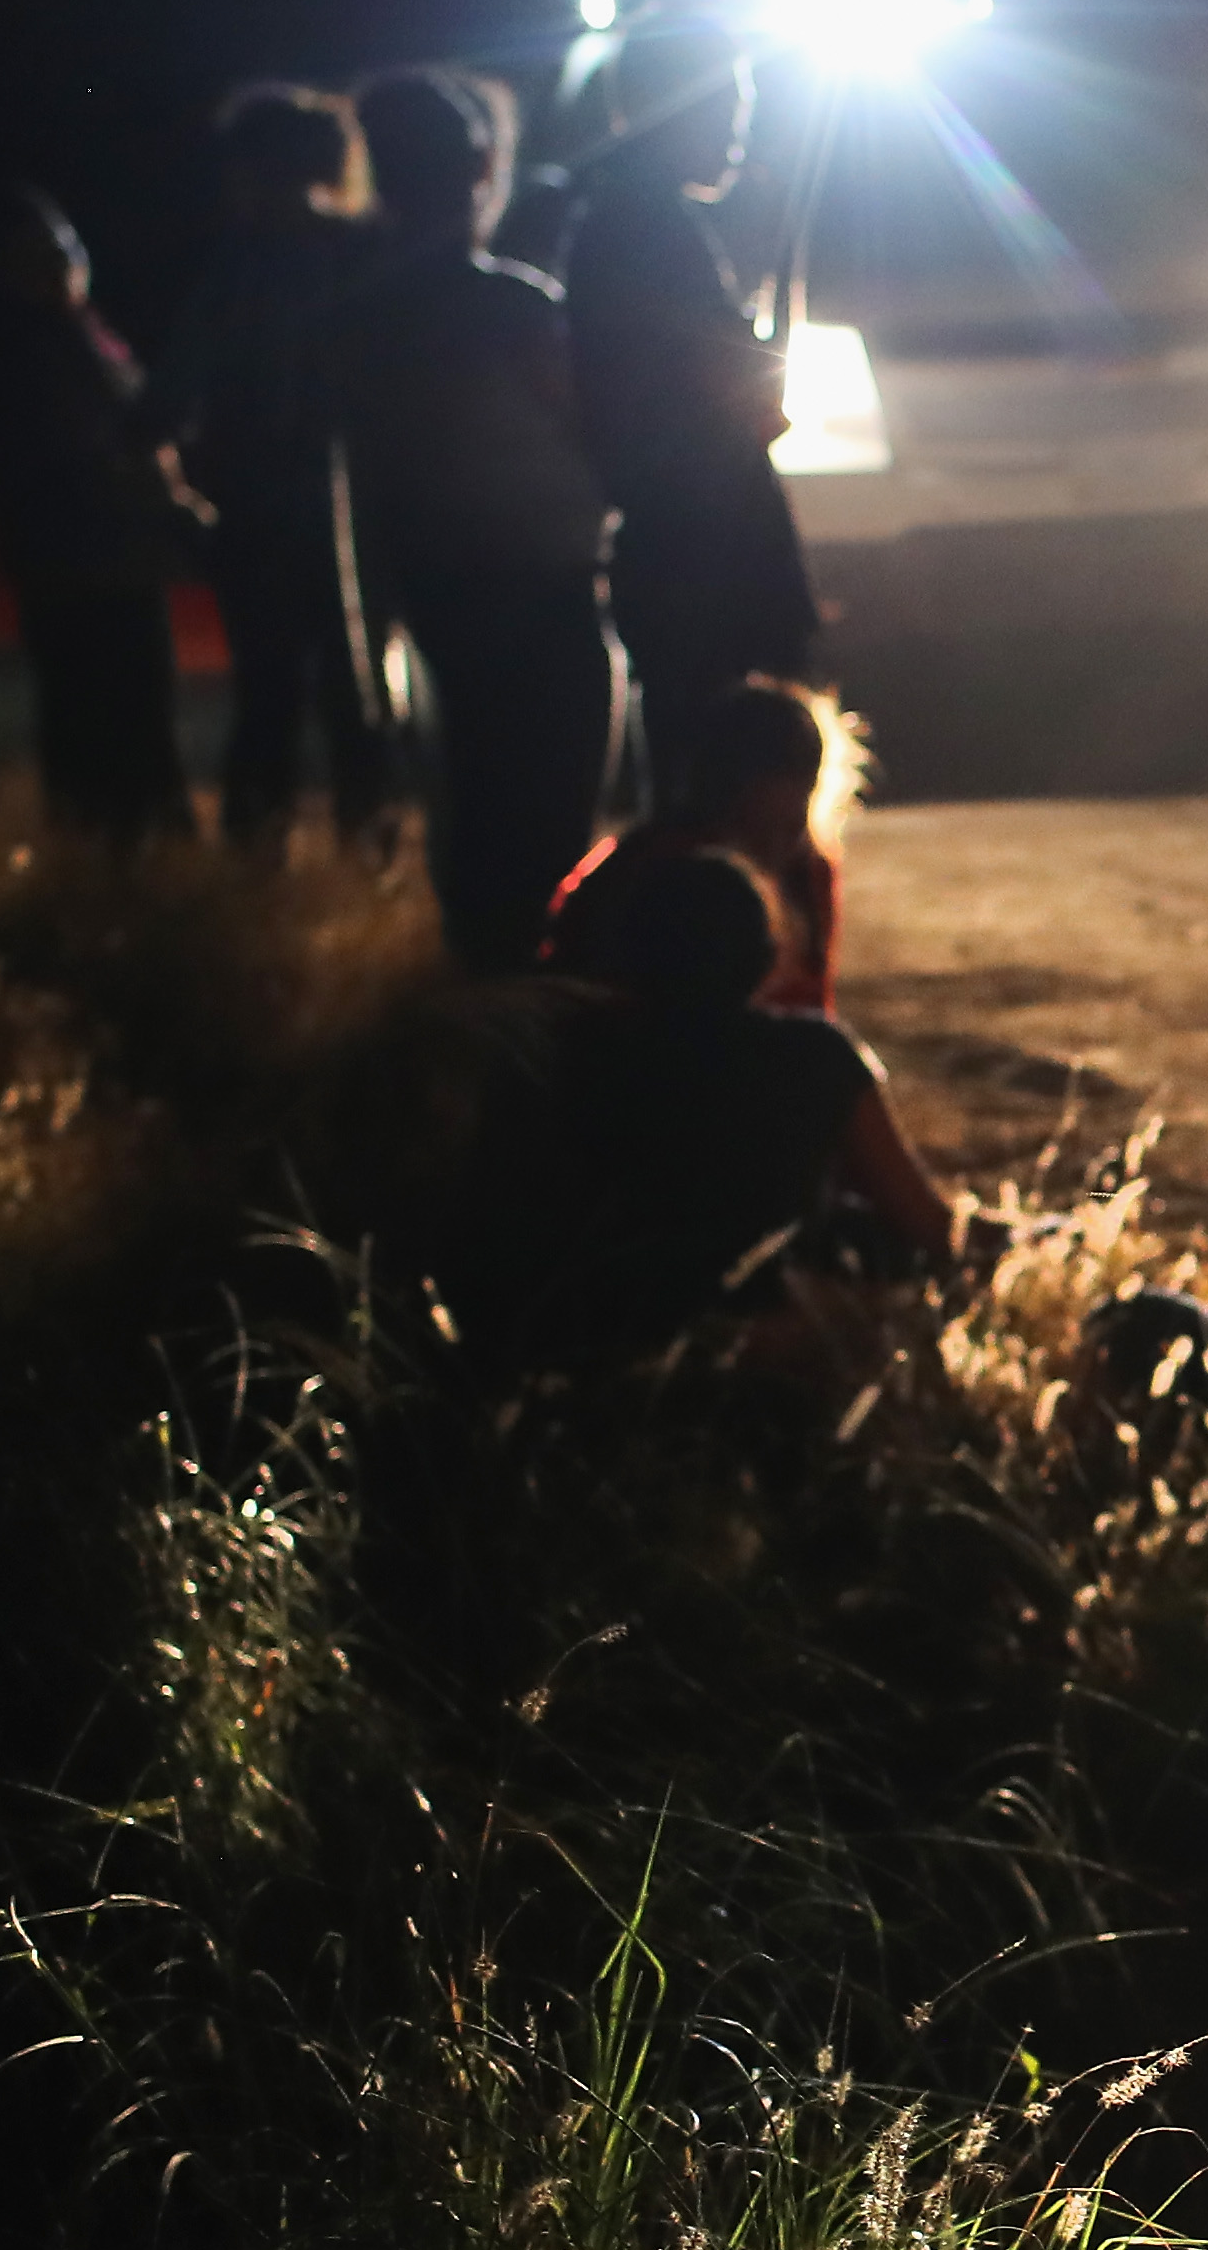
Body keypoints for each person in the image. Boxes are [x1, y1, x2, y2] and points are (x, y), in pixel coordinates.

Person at [440, 847, 959, 1366]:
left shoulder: (568, 1057)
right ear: (763, 953)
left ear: (632, 953)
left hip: (605, 1350)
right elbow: (928, 1227)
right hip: (768, 1349)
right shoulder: (816, 1057)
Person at [323, 67, 617, 966]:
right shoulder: (514, 307)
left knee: (473, 825)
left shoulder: (359, 320)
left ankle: (482, 1021)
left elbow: (356, 498)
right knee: (552, 831)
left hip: (439, 598)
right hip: (546, 588)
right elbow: (595, 435)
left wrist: (367, 643)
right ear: (481, 167)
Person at [561, 26, 819, 806]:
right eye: (728, 107)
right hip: (707, 544)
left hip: (675, 537)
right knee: (723, 769)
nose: (741, 133)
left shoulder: (622, 222)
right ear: (674, 111)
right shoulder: (651, 232)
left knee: (691, 760)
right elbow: (747, 397)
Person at [170, 83, 392, 858]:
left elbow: (177, 388)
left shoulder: (258, 265)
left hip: (287, 514)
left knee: (287, 698)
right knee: (345, 699)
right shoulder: (352, 253)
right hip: (318, 515)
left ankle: (271, 858)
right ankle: (356, 858)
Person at [0, 186, 199, 844]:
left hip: (113, 559)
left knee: (128, 709)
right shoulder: (31, 350)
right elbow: (92, 451)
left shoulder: (85, 336)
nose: (62, 261)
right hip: (80, 562)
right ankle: (111, 849)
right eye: (40, 251)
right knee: (99, 709)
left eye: (66, 245)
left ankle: (131, 846)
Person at [544, 674, 852, 1019]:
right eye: (785, 777)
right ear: (737, 778)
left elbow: (814, 1008)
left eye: (809, 784)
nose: (798, 808)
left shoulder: (806, 872)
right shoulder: (657, 865)